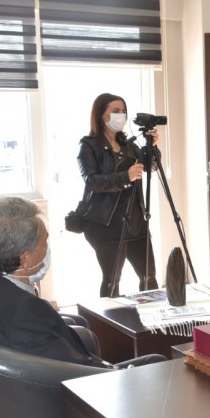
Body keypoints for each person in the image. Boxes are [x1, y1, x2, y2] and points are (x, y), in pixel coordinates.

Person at [0, 196, 164, 368]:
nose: (47, 247)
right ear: (25, 259)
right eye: (44, 241)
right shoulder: (27, 311)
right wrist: (116, 371)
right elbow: (74, 370)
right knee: (157, 360)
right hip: (74, 391)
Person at [77, 93, 160, 297]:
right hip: (106, 223)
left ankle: (151, 313)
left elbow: (151, 167)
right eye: (115, 111)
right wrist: (125, 176)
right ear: (101, 114)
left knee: (149, 275)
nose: (121, 115)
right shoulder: (88, 145)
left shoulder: (128, 145)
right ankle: (108, 316)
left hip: (136, 220)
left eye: (123, 111)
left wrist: (152, 148)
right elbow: (91, 181)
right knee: (112, 280)